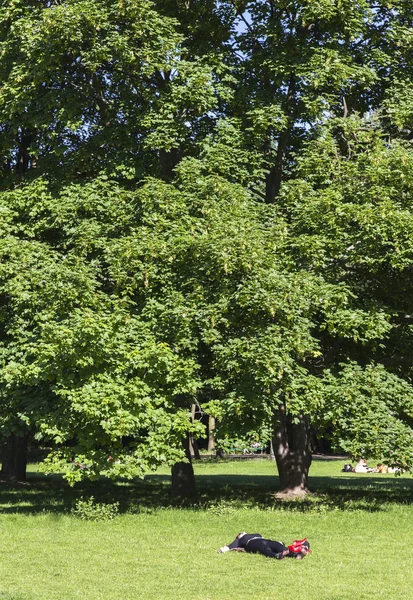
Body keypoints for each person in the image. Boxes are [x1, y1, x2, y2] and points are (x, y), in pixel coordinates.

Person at [218, 532, 311, 560]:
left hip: (263, 541)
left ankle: (294, 554)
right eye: (240, 533)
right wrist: (224, 549)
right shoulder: (239, 540)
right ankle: (281, 554)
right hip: (253, 544)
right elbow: (229, 547)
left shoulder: (253, 535)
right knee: (264, 546)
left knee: (271, 544)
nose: (241, 533)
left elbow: (228, 547)